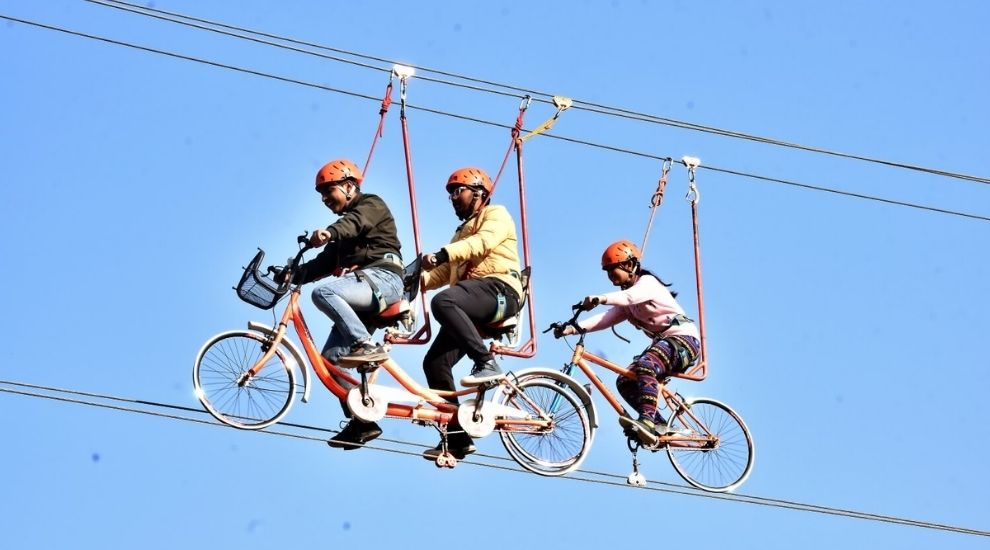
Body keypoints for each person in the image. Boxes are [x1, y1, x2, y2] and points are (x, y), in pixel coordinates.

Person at [289, 158, 405, 450]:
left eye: (330, 191)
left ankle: (365, 344)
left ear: (350, 186)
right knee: (329, 363)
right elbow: (326, 262)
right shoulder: (343, 230)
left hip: (385, 280)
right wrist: (294, 274)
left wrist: (329, 231)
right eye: (322, 195)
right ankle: (363, 422)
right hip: (365, 290)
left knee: (324, 294)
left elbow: (354, 224)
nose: (326, 199)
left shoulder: (371, 205)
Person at [419, 167, 524, 460]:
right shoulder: (460, 233)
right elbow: (443, 272)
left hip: (500, 290)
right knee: (435, 363)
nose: (453, 198)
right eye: (451, 193)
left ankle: (486, 363)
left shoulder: (496, 214)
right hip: (472, 299)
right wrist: (412, 280)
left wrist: (442, 253)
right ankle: (457, 438)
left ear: (478, 192)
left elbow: (482, 243)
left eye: (458, 191)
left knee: (443, 303)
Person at [554, 240, 700, 447]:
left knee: (646, 365)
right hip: (666, 344)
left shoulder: (646, 285)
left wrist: (600, 298)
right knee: (625, 381)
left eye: (614, 268)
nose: (610, 274)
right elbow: (605, 319)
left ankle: (647, 421)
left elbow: (629, 297)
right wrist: (571, 329)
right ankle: (657, 427)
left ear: (630, 265)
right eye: (607, 271)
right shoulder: (627, 302)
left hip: (684, 341)